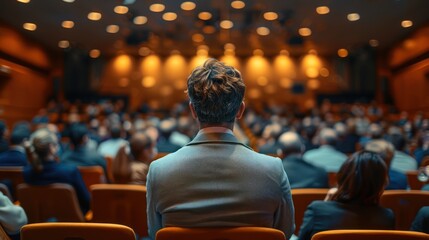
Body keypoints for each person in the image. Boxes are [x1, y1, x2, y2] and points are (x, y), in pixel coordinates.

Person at [146, 58, 295, 240]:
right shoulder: (273, 169)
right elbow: (284, 234)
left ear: (193, 110)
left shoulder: (159, 170)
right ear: (240, 111)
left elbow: (155, 235)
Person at [298, 151, 394, 240]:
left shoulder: (317, 209)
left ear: (342, 176)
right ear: (381, 184)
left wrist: (325, 204)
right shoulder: (387, 217)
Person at [23, 128, 90, 214]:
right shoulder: (70, 171)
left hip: (38, 224)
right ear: (51, 147)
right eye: (56, 143)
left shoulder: (27, 173)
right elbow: (86, 202)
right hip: (70, 223)